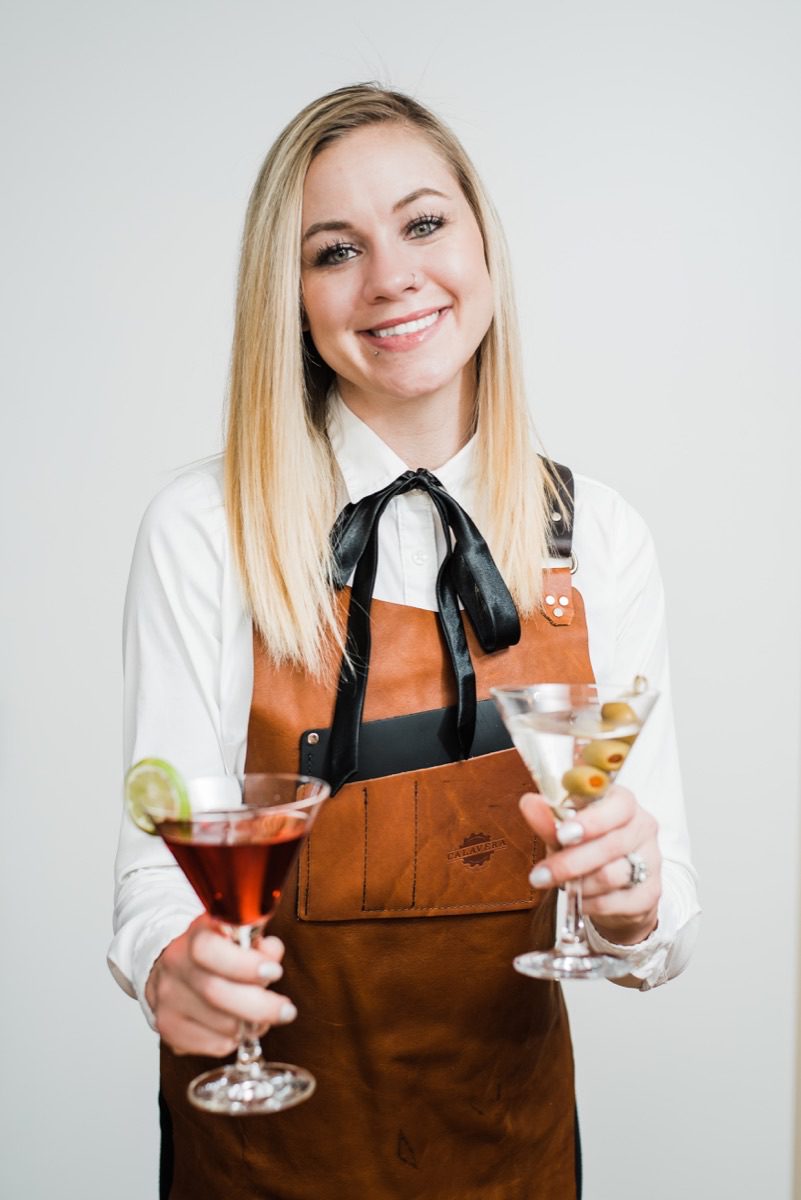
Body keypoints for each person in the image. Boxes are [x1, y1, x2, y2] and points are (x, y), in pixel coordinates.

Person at [110, 83, 700, 1200]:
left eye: (424, 224)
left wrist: (627, 900)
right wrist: (168, 965)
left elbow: (662, 928)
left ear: (482, 244)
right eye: (335, 250)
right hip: (263, 1167)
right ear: (287, 298)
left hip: (514, 1160)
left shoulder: (602, 539)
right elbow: (157, 872)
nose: (391, 279)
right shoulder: (205, 531)